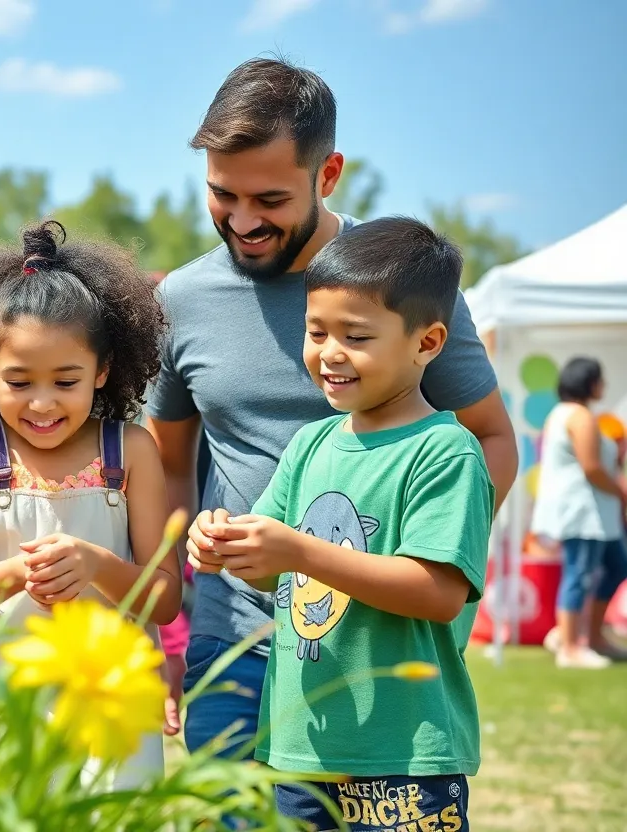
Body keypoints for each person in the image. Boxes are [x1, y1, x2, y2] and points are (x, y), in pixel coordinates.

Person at [145, 57, 517, 756]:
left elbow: (492, 439)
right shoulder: (181, 301)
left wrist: (422, 567)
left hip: (368, 639)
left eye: (271, 200)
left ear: (329, 174)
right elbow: (168, 469)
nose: (244, 220)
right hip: (234, 632)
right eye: (223, 195)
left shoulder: (403, 283)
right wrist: (165, 624)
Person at [189, 217, 492, 830]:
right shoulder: (309, 444)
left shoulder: (446, 451)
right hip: (304, 748)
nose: (328, 353)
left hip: (405, 757)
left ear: (428, 343)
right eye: (315, 331)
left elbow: (437, 593)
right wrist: (222, 547)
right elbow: (271, 567)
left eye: (355, 336)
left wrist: (298, 553)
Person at [0, 220, 181, 786]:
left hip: (103, 708)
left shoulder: (131, 450)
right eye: (19, 381)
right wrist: (17, 572)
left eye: (66, 381)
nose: (42, 403)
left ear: (103, 372)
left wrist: (96, 564)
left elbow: (162, 599)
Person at [531, 358, 627, 668]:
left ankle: (591, 636)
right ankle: (570, 646)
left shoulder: (562, 413)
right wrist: (622, 492)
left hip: (596, 514)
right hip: (584, 512)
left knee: (615, 566)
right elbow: (592, 468)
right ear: (589, 382)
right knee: (580, 574)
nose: (604, 386)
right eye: (600, 380)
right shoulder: (580, 416)